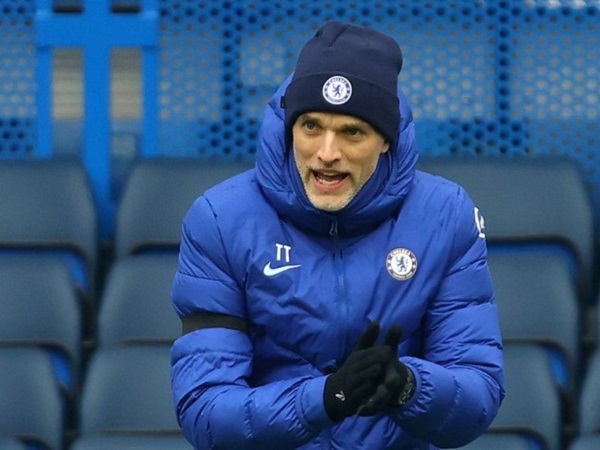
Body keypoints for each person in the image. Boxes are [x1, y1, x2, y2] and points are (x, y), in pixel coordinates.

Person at [170, 20, 505, 449]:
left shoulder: (446, 215)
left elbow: (478, 393)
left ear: (386, 140)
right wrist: (325, 399)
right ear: (289, 128)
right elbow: (205, 411)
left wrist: (410, 387)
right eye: (311, 126)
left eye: (352, 132)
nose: (327, 153)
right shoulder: (220, 219)